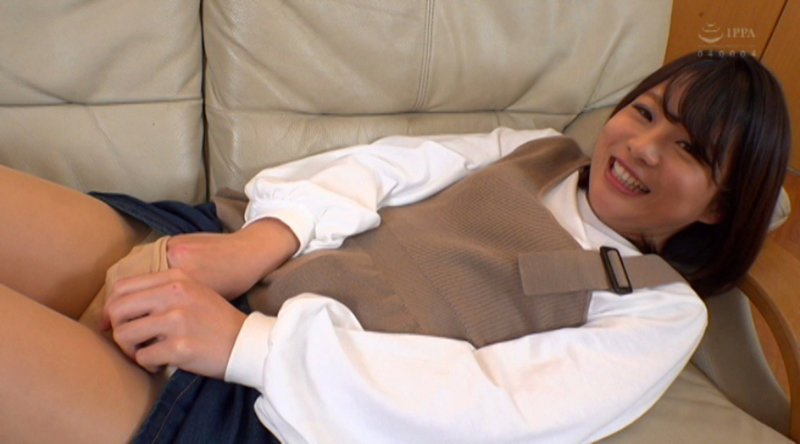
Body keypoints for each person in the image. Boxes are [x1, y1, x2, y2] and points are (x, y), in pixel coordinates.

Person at [0, 52, 789, 443]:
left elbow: (493, 411)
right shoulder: (536, 149)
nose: (643, 147)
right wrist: (254, 247)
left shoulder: (658, 311)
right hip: (223, 247)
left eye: (688, 149)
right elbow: (380, 169)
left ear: (723, 203)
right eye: (645, 112)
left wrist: (246, 345)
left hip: (273, 400)